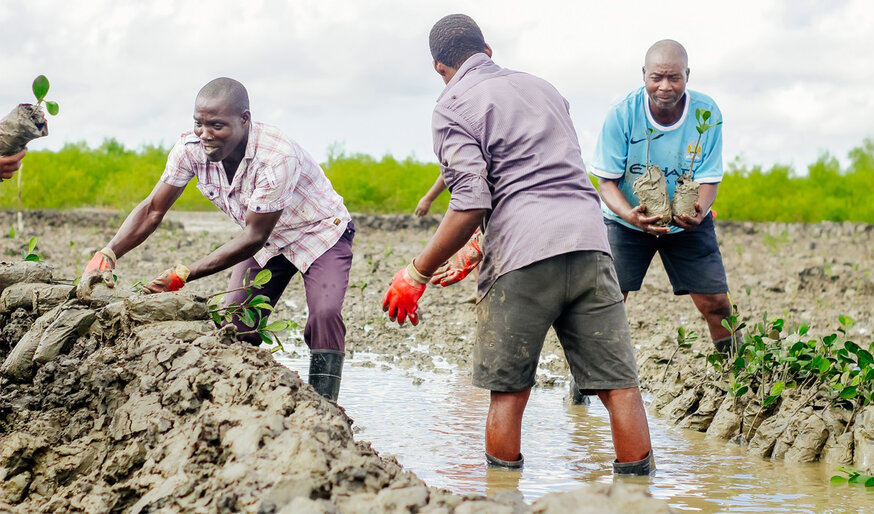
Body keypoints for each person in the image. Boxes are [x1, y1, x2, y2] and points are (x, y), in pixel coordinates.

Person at [382, 14, 653, 475]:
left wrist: (417, 272)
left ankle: (501, 499)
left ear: (439, 68)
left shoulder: (451, 105)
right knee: (620, 389)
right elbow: (541, 172)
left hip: (523, 260)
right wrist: (479, 246)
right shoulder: (544, 88)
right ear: (487, 51)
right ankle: (638, 497)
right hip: (591, 243)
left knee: (508, 393)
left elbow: (470, 200)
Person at [79, 78, 354, 400]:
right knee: (236, 324)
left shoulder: (277, 156)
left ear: (245, 120)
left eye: (217, 126)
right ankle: (240, 400)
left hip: (319, 234)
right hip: (268, 244)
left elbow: (253, 235)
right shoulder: (189, 150)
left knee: (324, 313)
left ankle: (325, 404)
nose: (206, 134)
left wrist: (184, 274)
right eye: (200, 123)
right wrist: (109, 253)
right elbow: (153, 208)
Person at [591, 40, 739, 353]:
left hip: (686, 223)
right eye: (656, 77)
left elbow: (709, 179)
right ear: (644, 74)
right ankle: (581, 391)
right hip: (626, 221)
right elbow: (606, 182)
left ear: (688, 75)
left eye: (674, 78)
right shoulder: (623, 113)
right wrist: (631, 215)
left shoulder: (706, 112)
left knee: (717, 304)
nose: (665, 87)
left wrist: (700, 211)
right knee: (607, 306)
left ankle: (740, 376)